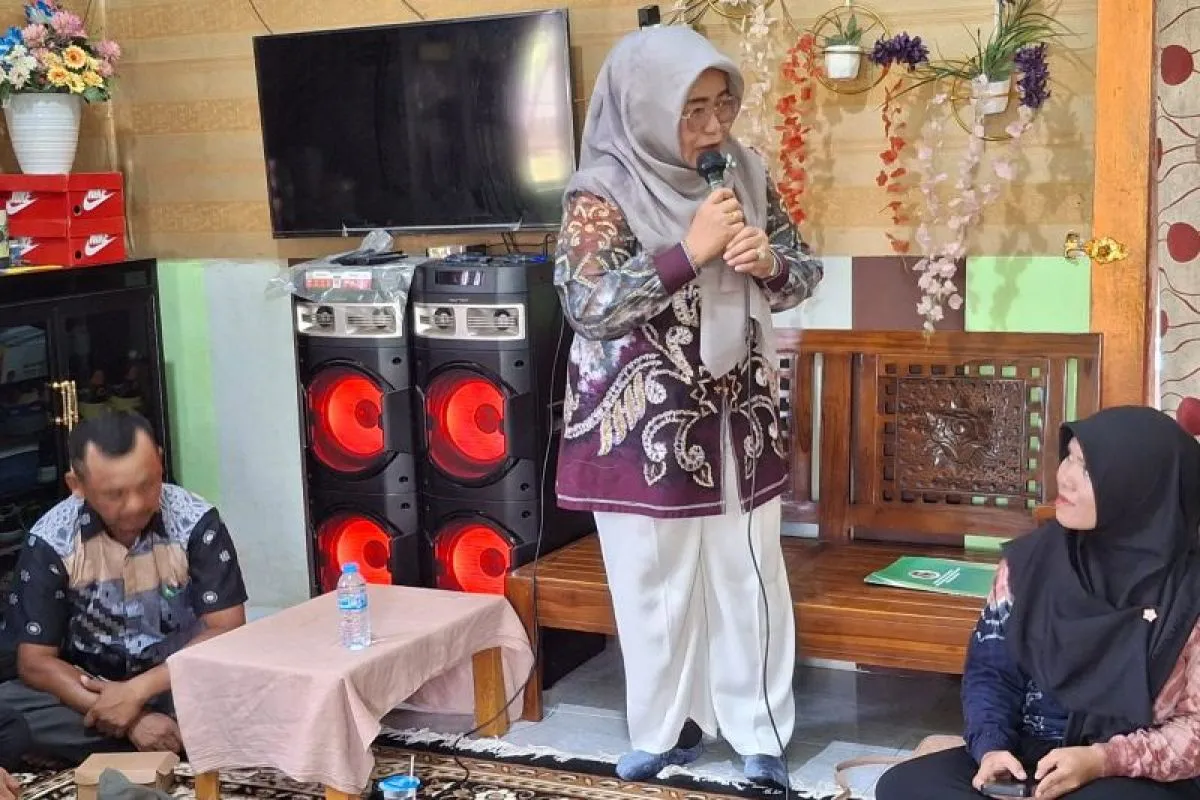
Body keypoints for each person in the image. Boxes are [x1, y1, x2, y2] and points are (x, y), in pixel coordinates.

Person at [552, 25, 823, 788]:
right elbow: (588, 306)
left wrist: (771, 263)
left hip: (739, 416)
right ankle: (666, 732)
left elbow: (804, 272)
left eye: (722, 105)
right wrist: (687, 252)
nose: (712, 127)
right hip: (641, 424)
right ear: (645, 107)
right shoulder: (601, 191)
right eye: (692, 110)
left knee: (748, 577)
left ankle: (759, 734)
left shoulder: (744, 172)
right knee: (654, 586)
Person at [876, 406, 1200, 800]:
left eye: (1087, 468)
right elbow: (991, 672)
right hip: (1030, 755)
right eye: (1069, 457)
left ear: (1139, 489)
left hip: (1128, 772)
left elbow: (1195, 733)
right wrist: (992, 748)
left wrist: (1101, 760)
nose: (1065, 475)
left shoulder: (1187, 594)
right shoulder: (1029, 563)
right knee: (902, 787)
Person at [0, 411, 248, 763]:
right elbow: (36, 662)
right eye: (115, 494)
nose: (135, 504)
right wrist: (132, 718)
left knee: (258, 684)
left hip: (177, 681)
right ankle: (165, 740)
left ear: (160, 462)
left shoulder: (196, 522)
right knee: (10, 714)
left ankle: (149, 742)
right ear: (77, 485)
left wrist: (138, 691)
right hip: (89, 691)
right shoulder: (51, 540)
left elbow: (227, 628)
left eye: (147, 485)